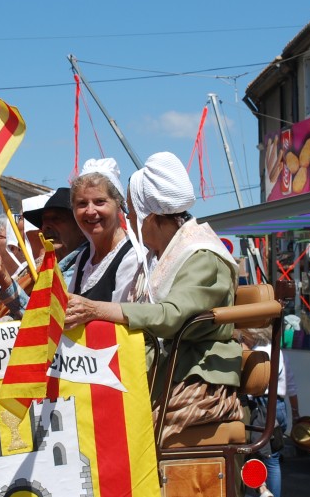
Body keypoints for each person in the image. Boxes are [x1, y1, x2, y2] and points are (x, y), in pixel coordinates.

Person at [65, 152, 243, 440]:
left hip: (197, 380)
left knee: (126, 441)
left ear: (153, 217)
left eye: (134, 216)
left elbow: (171, 315)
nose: (131, 223)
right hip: (168, 375)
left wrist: (96, 309)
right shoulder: (165, 257)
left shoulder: (202, 256)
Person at [240, 325, 299, 497]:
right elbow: (291, 384)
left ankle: (263, 491)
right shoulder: (280, 353)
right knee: (274, 456)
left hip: (262, 406)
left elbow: (250, 384)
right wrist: (296, 413)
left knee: (254, 453)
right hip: (280, 406)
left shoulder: (255, 354)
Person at [67, 158, 139, 302]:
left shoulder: (132, 257)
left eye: (100, 202)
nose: (90, 211)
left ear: (118, 204)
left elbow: (124, 317)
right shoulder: (84, 258)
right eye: (82, 203)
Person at [22, 187, 87, 289]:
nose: (46, 226)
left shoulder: (90, 266)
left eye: (56, 218)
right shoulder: (47, 268)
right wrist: (3, 279)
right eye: (44, 220)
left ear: (81, 228)